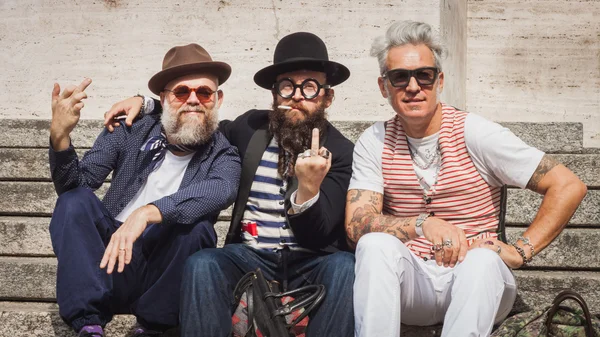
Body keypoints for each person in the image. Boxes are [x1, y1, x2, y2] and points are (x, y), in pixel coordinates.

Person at [345, 20, 587, 337]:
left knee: (482, 262)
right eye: (400, 77)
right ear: (384, 86)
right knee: (374, 245)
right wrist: (422, 224)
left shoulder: (474, 132)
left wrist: (520, 251)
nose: (413, 86)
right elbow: (356, 224)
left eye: (424, 75)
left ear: (439, 80)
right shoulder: (375, 140)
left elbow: (568, 185)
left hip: (478, 283)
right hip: (414, 283)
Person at [106, 32, 356, 337]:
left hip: (313, 259)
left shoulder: (342, 151)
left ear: (327, 97)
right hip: (250, 255)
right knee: (203, 263)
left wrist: (308, 188)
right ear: (275, 93)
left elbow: (318, 233)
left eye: (310, 87)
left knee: (345, 266)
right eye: (288, 85)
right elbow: (196, 116)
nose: (298, 95)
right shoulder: (250, 129)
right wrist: (146, 103)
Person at [48, 43, 241, 337]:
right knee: (74, 202)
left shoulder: (224, 155)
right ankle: (88, 323)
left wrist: (148, 213)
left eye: (204, 92)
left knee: (198, 228)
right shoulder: (131, 128)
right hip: (107, 262)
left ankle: (153, 327)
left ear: (218, 99)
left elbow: (222, 190)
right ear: (163, 99)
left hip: (161, 275)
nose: (193, 100)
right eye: (181, 92)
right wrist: (60, 138)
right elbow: (75, 186)